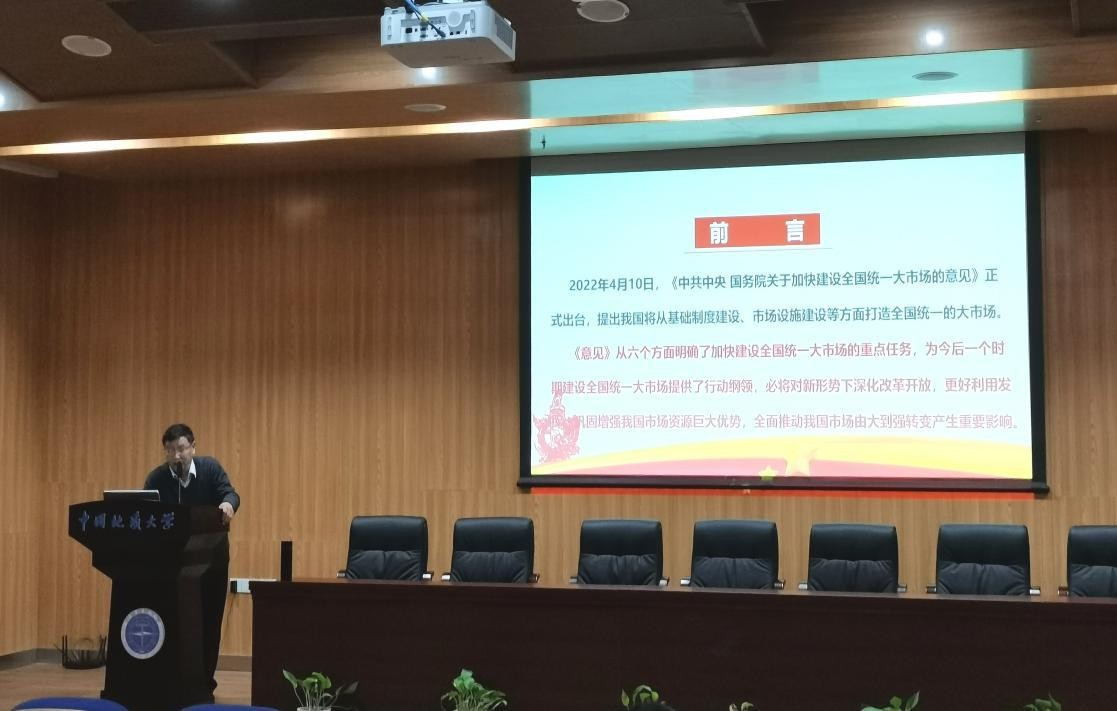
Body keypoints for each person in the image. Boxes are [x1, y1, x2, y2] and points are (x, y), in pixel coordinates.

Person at [143, 423, 239, 698]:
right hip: (173, 566)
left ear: (193, 447)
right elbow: (145, 511)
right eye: (170, 450)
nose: (176, 456)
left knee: (209, 623)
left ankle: (205, 684)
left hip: (212, 563)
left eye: (182, 449)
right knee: (174, 623)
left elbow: (230, 494)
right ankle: (173, 683)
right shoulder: (157, 479)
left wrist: (228, 504)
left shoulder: (210, 469)